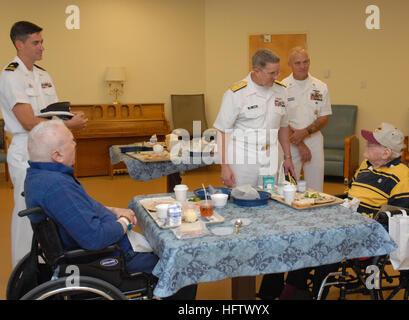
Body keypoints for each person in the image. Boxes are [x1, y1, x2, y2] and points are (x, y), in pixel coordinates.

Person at [24, 120, 197, 299]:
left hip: (99, 247)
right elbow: (95, 238)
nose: (75, 145)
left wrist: (113, 210)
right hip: (109, 258)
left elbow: (80, 207)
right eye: (72, 141)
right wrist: (124, 222)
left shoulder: (40, 176)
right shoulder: (58, 187)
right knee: (184, 266)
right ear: (57, 155)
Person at [277, 122, 409, 300]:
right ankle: (292, 290)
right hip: (346, 218)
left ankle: (310, 293)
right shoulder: (366, 165)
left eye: (372, 144)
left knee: (326, 247)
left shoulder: (402, 174)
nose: (366, 144)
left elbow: (398, 215)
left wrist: (363, 221)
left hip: (370, 229)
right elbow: (350, 194)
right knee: (307, 237)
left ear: (386, 152)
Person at [0, 21, 88, 267]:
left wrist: (70, 118)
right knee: (28, 209)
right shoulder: (10, 75)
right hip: (26, 147)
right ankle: (25, 268)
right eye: (35, 43)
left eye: (42, 42)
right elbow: (28, 122)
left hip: (50, 148)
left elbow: (54, 113)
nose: (41, 47)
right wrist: (69, 126)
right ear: (20, 45)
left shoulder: (43, 75)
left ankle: (48, 262)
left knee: (53, 208)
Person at [214, 49, 295, 188]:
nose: (276, 77)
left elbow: (283, 126)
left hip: (271, 157)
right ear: (256, 71)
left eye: (278, 72)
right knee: (242, 201)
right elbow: (221, 131)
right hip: (243, 159)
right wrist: (224, 166)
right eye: (271, 73)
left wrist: (288, 157)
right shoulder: (236, 94)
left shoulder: (281, 90)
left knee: (270, 200)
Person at [283, 47, 331, 191]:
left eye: (306, 62)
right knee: (289, 186)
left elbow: (324, 117)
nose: (302, 66)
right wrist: (300, 143)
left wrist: (304, 133)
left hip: (314, 140)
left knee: (316, 186)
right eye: (297, 63)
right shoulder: (281, 87)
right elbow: (281, 120)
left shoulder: (321, 87)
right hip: (290, 142)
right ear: (289, 64)